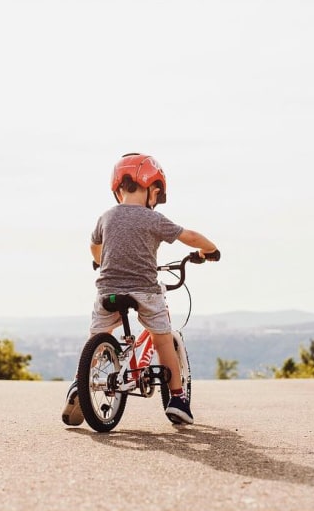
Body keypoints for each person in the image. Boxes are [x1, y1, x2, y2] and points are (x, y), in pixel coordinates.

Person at [62, 152, 219, 426]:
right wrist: (210, 250)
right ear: (152, 189)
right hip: (144, 290)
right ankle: (178, 398)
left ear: (118, 188)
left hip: (107, 291)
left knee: (97, 335)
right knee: (162, 338)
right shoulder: (152, 220)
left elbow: (94, 246)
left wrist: (100, 261)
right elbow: (189, 237)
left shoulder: (106, 217)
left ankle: (79, 382)